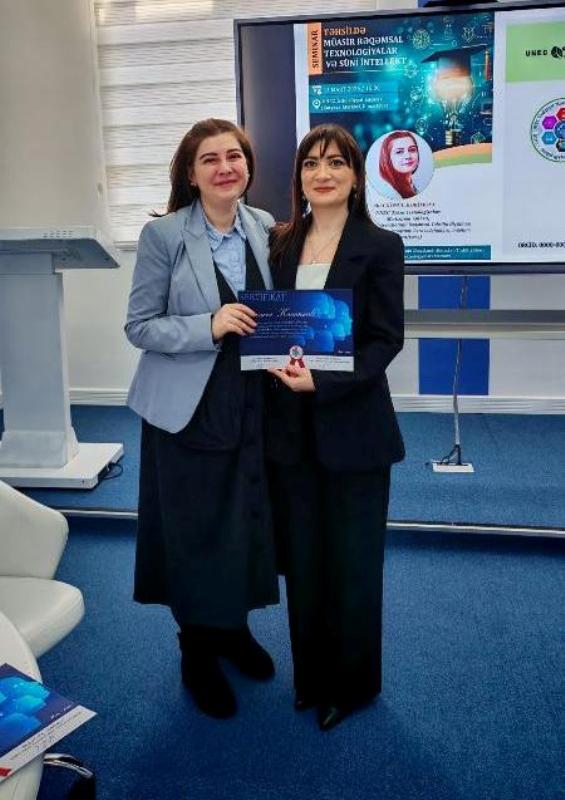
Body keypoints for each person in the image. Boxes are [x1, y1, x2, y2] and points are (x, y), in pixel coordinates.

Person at [125, 118, 279, 720]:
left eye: (234, 156)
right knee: (195, 526)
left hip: (254, 400)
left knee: (245, 516)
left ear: (248, 165)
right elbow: (140, 326)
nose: (225, 167)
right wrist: (207, 326)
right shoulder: (163, 235)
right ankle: (196, 647)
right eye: (209, 159)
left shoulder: (263, 225)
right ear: (190, 174)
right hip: (188, 405)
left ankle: (233, 629)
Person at [266, 124, 405, 731]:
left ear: (355, 176)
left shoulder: (381, 245)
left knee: (353, 565)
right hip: (290, 431)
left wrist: (321, 384)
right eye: (310, 164)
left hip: (354, 430)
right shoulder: (279, 242)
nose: (322, 174)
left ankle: (351, 686)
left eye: (335, 163)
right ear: (298, 177)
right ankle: (311, 679)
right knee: (304, 563)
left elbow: (384, 341)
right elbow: (270, 322)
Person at [379, 130, 420, 199]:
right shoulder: (390, 191)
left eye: (412, 150)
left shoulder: (412, 185)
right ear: (387, 157)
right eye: (399, 152)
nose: (408, 156)